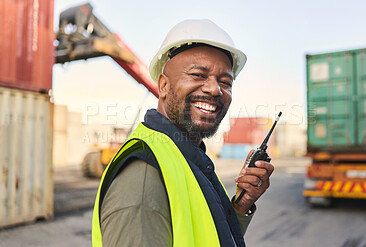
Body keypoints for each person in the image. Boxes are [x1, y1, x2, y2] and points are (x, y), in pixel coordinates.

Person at [92, 19, 274, 247]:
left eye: (225, 81)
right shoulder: (144, 177)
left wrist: (240, 205)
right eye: (198, 75)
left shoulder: (186, 157)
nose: (214, 89)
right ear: (164, 86)